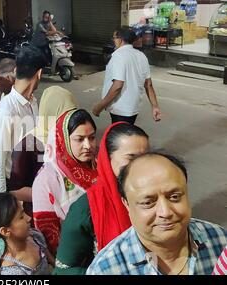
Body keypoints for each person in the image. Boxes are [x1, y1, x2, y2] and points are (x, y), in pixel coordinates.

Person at [87, 153, 227, 275]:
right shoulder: (107, 269)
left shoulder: (220, 239)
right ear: (126, 204)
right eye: (148, 203)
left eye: (174, 197)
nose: (165, 212)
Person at [54, 122, 149, 274]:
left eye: (146, 158)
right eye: (131, 158)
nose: (141, 166)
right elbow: (64, 268)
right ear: (107, 158)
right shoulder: (86, 208)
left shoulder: (156, 197)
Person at [0, 46, 46, 199]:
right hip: (11, 185)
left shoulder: (33, 102)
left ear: (16, 70)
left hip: (29, 178)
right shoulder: (6, 111)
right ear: (39, 73)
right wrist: (3, 201)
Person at [32, 109, 98, 255]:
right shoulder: (47, 179)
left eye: (92, 138)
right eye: (79, 139)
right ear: (63, 140)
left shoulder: (99, 166)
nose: (88, 145)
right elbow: (47, 232)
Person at [8, 86, 78, 218]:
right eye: (65, 114)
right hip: (41, 215)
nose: (69, 120)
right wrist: (49, 194)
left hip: (70, 213)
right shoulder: (28, 144)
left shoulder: (71, 139)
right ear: (52, 112)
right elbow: (15, 190)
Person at [0, 192, 52, 275]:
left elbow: (53, 262)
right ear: (5, 231)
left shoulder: (35, 237)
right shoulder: (12, 271)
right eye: (21, 217)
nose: (29, 218)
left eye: (24, 212)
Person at [92, 28, 162, 125]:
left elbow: (117, 86)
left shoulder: (118, 56)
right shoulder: (141, 55)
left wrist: (99, 106)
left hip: (120, 108)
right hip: (133, 107)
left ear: (120, 39)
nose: (113, 41)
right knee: (127, 133)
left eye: (114, 38)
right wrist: (155, 106)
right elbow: (148, 84)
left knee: (119, 137)